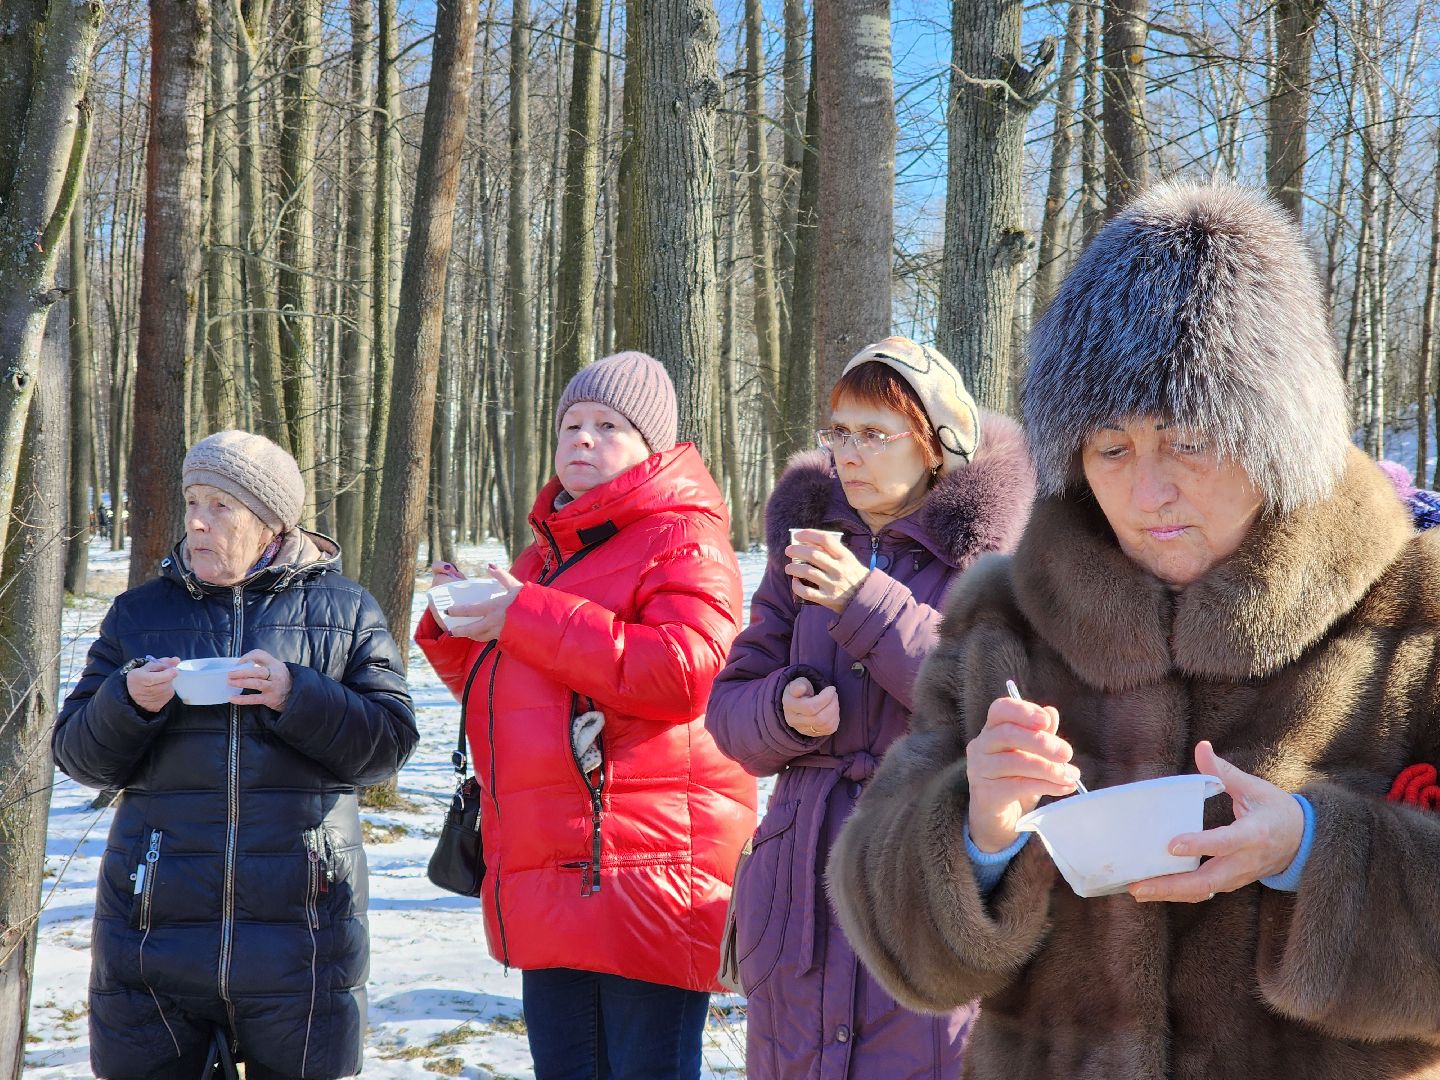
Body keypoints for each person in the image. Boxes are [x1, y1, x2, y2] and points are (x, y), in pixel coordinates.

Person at [828, 181, 1440, 1079]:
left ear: (1277, 435)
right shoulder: (1005, 618)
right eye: (1110, 448)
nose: (1146, 493)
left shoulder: (1413, 615)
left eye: (1188, 440)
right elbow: (893, 938)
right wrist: (977, 830)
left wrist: (1313, 851)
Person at [415, 350, 756, 1080]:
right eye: (572, 424)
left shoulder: (683, 537)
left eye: (608, 425)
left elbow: (689, 672)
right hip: (555, 866)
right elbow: (524, 703)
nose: (583, 439)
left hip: (646, 866)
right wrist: (465, 629)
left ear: (652, 448)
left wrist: (524, 616)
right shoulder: (545, 557)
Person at [706, 336, 1035, 1079]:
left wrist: (863, 599)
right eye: (840, 433)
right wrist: (782, 712)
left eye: (875, 435)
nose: (849, 455)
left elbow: (983, 697)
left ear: (933, 444)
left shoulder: (988, 559)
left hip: (918, 868)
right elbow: (728, 712)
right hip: (798, 890)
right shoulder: (804, 547)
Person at [53, 429, 418, 1080]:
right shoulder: (138, 615)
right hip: (151, 938)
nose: (196, 519)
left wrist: (295, 695)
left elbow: (387, 746)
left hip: (305, 940)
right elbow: (80, 756)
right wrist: (128, 701)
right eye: (192, 500)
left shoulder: (346, 612)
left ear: (271, 520)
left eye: (220, 504)